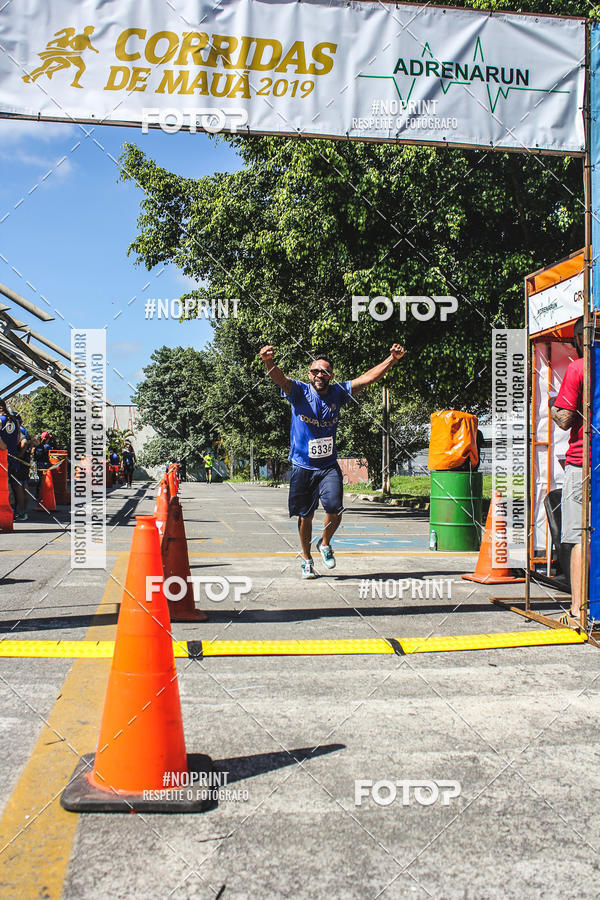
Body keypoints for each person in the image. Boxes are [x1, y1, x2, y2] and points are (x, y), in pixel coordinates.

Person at [260, 343, 405, 578]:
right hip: (302, 466)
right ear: (309, 374)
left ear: (331, 376)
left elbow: (368, 379)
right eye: (315, 371)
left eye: (325, 371)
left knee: (335, 509)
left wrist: (393, 359)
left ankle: (324, 543)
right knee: (305, 516)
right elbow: (280, 379)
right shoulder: (298, 391)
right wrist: (268, 361)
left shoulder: (338, 393)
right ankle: (306, 559)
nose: (320, 375)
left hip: (328, 466)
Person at [550, 316, 584, 623]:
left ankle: (577, 610)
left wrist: (553, 405)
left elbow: (565, 420)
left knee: (579, 538)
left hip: (584, 463)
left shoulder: (579, 368)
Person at [0, 399, 27, 519]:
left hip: (2, 458)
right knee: (14, 486)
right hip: (13, 458)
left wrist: (4, 446)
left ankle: (6, 514)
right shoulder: (15, 421)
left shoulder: (0, 420)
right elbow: (18, 440)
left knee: (5, 487)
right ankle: (17, 512)